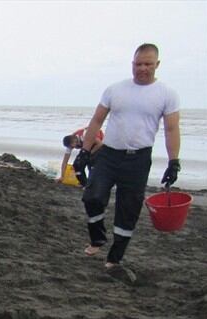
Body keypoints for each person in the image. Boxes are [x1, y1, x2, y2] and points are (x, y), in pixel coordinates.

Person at [74, 43, 180, 275]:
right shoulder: (115, 90)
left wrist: (174, 161)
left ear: (157, 65)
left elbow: (172, 129)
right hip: (109, 154)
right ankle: (98, 237)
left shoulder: (167, 94)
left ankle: (115, 258)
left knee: (128, 208)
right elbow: (96, 121)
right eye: (138, 64)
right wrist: (84, 151)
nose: (142, 68)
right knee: (92, 196)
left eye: (148, 64)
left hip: (139, 159)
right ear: (132, 64)